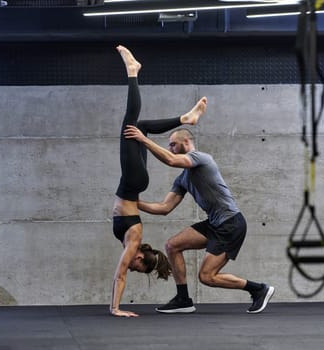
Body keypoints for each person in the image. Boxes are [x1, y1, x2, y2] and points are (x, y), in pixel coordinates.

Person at [123, 122, 275, 314]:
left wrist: (143, 139)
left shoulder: (201, 158)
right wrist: (135, 203)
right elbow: (164, 208)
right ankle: (183, 299)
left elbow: (170, 160)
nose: (170, 148)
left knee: (207, 276)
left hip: (231, 223)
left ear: (185, 142)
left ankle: (258, 289)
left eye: (172, 144)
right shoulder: (182, 179)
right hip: (214, 223)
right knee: (172, 245)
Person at [110, 45, 208, 317]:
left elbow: (121, 272)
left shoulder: (131, 241)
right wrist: (115, 308)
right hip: (132, 182)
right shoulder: (133, 241)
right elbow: (120, 276)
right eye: (138, 267)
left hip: (133, 184)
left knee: (137, 128)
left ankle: (186, 118)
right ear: (140, 258)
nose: (133, 268)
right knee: (131, 126)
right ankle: (132, 72)